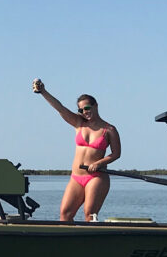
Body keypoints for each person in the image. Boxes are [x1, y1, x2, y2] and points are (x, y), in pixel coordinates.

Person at [32, 78, 121, 221]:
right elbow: (60, 108)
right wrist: (43, 92)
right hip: (76, 177)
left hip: (96, 177)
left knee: (89, 213)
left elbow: (116, 154)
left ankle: (91, 241)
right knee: (65, 213)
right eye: (81, 110)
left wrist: (98, 163)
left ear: (96, 106)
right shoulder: (78, 123)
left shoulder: (109, 129)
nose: (85, 112)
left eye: (87, 108)